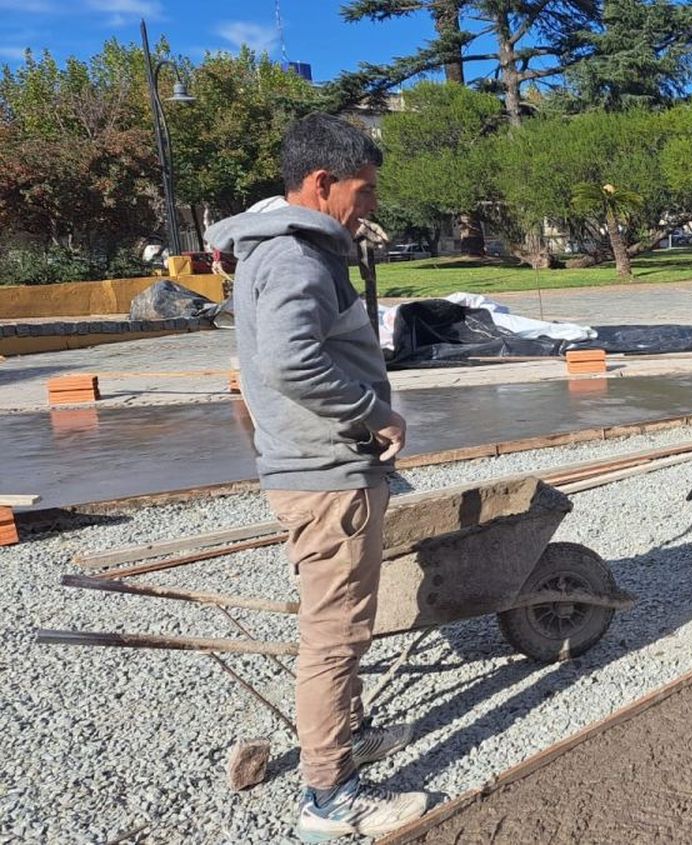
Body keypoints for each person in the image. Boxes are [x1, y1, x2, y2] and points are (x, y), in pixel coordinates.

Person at [204, 114, 427, 841]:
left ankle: (348, 738)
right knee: (334, 636)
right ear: (322, 182)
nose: (370, 206)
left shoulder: (283, 247)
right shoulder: (296, 258)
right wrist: (376, 416)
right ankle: (329, 800)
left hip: (321, 466)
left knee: (343, 630)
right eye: (363, 192)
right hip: (328, 473)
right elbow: (290, 361)